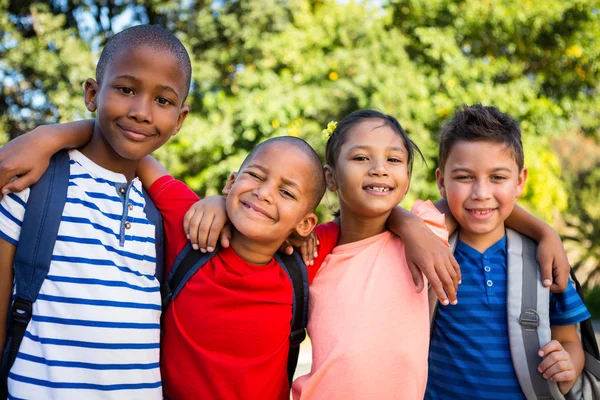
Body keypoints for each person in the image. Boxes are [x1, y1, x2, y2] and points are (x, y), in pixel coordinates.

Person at [0, 25, 190, 399]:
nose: (141, 112)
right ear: (92, 94)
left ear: (180, 120)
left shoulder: (161, 215)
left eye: (163, 101)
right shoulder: (34, 183)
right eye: (126, 90)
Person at [425, 104, 590, 399]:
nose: (481, 193)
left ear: (520, 181)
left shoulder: (544, 259)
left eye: (497, 178)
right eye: (464, 177)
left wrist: (568, 365)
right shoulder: (429, 252)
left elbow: (569, 340)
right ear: (441, 181)